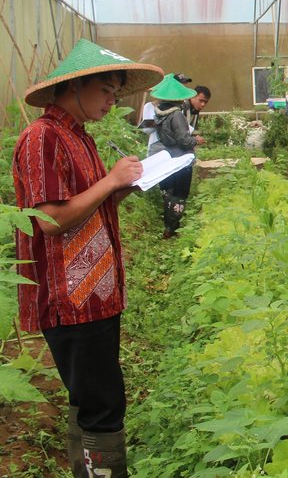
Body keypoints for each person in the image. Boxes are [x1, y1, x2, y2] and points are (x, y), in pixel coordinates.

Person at [13, 39, 163, 478]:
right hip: (70, 298)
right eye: (106, 90)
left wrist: (119, 187)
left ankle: (88, 469)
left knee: (93, 397)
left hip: (93, 293)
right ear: (76, 86)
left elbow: (85, 204)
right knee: (102, 403)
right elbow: (49, 220)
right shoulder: (43, 137)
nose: (112, 99)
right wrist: (109, 181)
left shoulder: (77, 136)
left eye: (117, 91)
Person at [150, 74, 205, 238]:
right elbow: (183, 140)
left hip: (167, 155)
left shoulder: (160, 113)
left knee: (168, 192)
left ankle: (168, 225)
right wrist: (194, 140)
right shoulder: (177, 115)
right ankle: (172, 228)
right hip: (180, 158)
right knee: (180, 194)